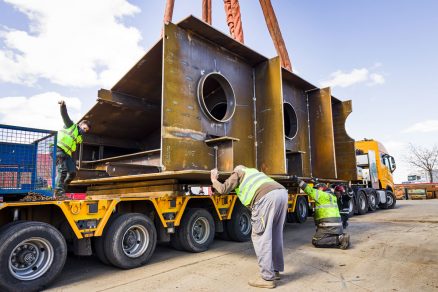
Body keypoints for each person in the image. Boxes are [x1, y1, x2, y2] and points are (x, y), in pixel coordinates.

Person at [211, 165, 288, 289]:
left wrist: (214, 179)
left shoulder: (238, 172)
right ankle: (275, 270)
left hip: (266, 198)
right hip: (281, 193)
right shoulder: (254, 172)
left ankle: (267, 278)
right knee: (275, 235)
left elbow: (223, 189)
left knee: (261, 237)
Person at [292, 175, 350, 249]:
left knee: (316, 241)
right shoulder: (332, 196)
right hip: (338, 226)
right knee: (321, 234)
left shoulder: (320, 195)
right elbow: (325, 188)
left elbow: (308, 189)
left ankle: (339, 239)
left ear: (321, 189)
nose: (316, 190)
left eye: (317, 189)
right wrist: (316, 182)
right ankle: (341, 237)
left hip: (329, 225)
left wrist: (297, 180)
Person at [54, 100, 91, 197]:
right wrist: (63, 106)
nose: (84, 130)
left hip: (66, 154)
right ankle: (57, 191)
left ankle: (62, 189)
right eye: (84, 127)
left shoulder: (79, 138)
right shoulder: (71, 126)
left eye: (86, 130)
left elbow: (74, 152)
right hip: (57, 150)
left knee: (72, 173)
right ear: (80, 125)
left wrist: (75, 163)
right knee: (62, 170)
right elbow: (64, 115)